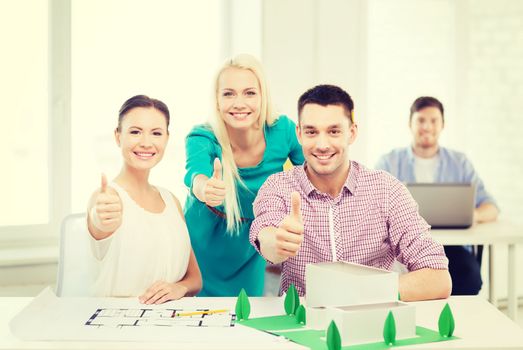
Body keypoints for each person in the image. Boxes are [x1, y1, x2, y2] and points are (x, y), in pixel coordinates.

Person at [250, 84, 451, 301]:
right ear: (299, 134)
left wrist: (359, 293)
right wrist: (278, 243)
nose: (322, 144)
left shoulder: (386, 190)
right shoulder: (278, 186)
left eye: (334, 131)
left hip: (372, 321)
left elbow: (438, 278)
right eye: (311, 132)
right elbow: (266, 232)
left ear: (352, 132)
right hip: (301, 325)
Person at [183, 54, 304, 297]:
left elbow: (312, 171)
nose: (239, 103)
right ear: (217, 101)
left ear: (263, 96)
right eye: (228, 94)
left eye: (249, 93)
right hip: (199, 244)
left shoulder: (284, 131)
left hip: (248, 247)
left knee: (245, 320)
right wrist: (205, 188)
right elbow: (194, 174)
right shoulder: (202, 136)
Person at [375, 96, 499, 295]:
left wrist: (472, 215)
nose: (427, 127)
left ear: (443, 125)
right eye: (421, 120)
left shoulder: (460, 162)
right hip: (405, 249)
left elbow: (491, 207)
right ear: (410, 124)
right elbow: (374, 206)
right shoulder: (388, 162)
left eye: (434, 121)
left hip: (452, 247)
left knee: (469, 276)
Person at [87, 95, 201, 303]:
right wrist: (100, 218)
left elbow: (195, 278)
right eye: (135, 132)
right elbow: (99, 220)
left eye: (156, 133)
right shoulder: (107, 198)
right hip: (116, 324)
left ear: (166, 138)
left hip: (170, 322)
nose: (146, 143)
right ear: (118, 136)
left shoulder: (171, 200)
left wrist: (179, 288)